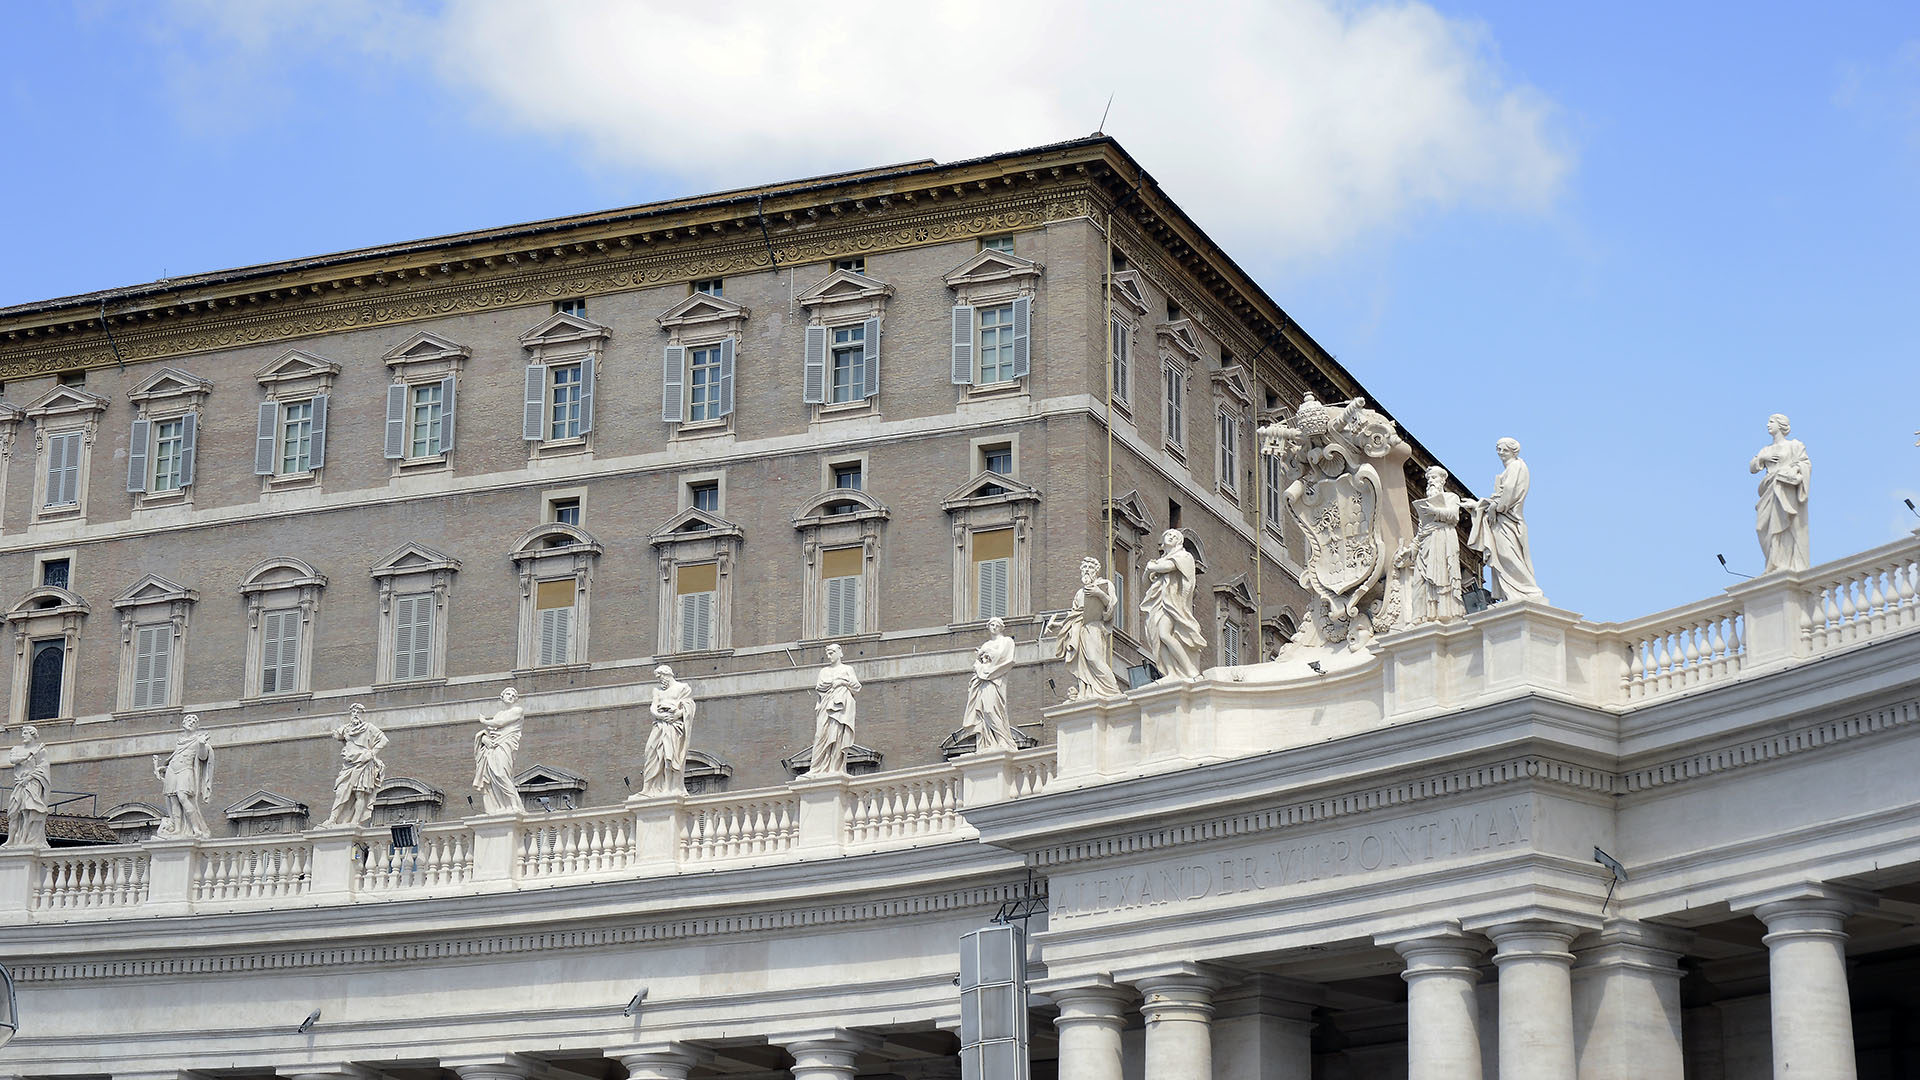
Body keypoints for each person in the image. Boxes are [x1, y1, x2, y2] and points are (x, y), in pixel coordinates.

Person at [1468, 438, 1548, 604]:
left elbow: (1509, 493)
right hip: (1502, 518)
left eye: (1504, 450)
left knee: (1507, 555)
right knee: (1504, 556)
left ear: (1513, 451)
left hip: (1508, 520)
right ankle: (1511, 593)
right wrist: (1478, 506)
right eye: (1498, 450)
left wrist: (1494, 507)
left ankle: (1528, 591)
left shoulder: (1516, 466)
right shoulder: (1512, 468)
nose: (1500, 453)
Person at [1044, 557, 1124, 700]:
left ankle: (1113, 690)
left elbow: (1110, 608)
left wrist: (1099, 594)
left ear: (1096, 570)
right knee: (1082, 663)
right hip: (1079, 629)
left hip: (1094, 627)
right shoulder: (1079, 593)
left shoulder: (1105, 585)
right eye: (1084, 568)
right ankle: (1085, 692)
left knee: (1094, 659)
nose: (1087, 570)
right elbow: (1073, 616)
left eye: (1090, 568)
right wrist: (1056, 625)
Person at [1750, 413, 1812, 573]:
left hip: (1785, 488)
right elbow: (1752, 468)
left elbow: (1805, 464)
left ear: (1781, 425)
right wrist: (1763, 457)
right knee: (1761, 527)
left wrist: (1791, 469)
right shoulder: (1766, 449)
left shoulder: (1794, 445)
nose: (1768, 425)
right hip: (1768, 489)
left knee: (1784, 523)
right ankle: (1772, 562)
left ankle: (1781, 563)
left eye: (1771, 422)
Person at [1142, 528, 1207, 680]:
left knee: (1165, 633)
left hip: (1172, 603)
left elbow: (1168, 567)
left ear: (1179, 541)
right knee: (1157, 637)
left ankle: (1190, 671)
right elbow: (1146, 582)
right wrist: (1148, 570)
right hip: (1157, 603)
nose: (1171, 537)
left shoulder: (1183, 556)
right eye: (1168, 535)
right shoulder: (1160, 561)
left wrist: (1153, 567)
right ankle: (1170, 672)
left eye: (1174, 536)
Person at [1410, 466, 1466, 624]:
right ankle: (1420, 616)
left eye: (1434, 478)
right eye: (1429, 479)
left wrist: (1435, 511)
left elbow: (1454, 516)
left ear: (1442, 480)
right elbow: (1421, 530)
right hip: (1426, 542)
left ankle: (1444, 614)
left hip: (1442, 538)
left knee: (1442, 577)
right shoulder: (1426, 504)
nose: (1430, 483)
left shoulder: (1451, 497)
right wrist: (1412, 548)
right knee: (1419, 581)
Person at [322, 703, 388, 828]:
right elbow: (337, 735)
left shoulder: (368, 727)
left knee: (359, 793)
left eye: (358, 712)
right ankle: (332, 819)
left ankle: (355, 821)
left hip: (363, 762)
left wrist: (372, 753)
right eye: (353, 712)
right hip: (349, 764)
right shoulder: (347, 728)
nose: (356, 714)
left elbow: (384, 740)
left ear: (363, 714)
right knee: (341, 791)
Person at [152, 713, 214, 839]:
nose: (191, 722)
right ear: (183, 723)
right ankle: (178, 829)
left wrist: (202, 744)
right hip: (172, 771)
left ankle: (196, 829)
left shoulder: (198, 740)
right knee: (173, 799)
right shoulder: (179, 741)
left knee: (182, 796)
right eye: (188, 719)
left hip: (186, 770)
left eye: (194, 721)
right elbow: (175, 757)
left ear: (197, 726)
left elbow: (203, 757)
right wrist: (163, 768)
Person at [961, 617, 1019, 752]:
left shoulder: (1007, 641)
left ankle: (1004, 740)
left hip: (996, 678)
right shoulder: (986, 644)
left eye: (996, 625)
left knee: (992, 709)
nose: (993, 627)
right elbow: (978, 662)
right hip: (982, 680)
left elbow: (1005, 658)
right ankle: (989, 742)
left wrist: (987, 655)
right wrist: (982, 661)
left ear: (1001, 627)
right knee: (983, 710)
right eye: (991, 624)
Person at [808, 643, 862, 777]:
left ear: (839, 653)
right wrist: (833, 683)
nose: (829, 656)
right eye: (827, 653)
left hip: (841, 708)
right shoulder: (824, 671)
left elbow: (857, 687)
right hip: (826, 707)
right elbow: (820, 688)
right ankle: (816, 767)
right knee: (820, 735)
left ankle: (835, 767)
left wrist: (843, 682)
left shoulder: (847, 669)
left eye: (831, 653)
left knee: (837, 736)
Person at [643, 665, 695, 797]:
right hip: (659, 725)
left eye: (660, 677)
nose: (660, 680)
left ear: (667, 674)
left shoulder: (683, 688)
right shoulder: (657, 691)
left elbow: (689, 706)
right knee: (651, 754)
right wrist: (659, 715)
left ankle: (669, 787)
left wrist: (677, 714)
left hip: (673, 726)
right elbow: (653, 707)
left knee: (669, 756)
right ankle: (648, 788)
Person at [472, 687, 525, 814]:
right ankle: (501, 806)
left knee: (501, 773)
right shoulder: (498, 714)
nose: (511, 696)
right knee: (492, 776)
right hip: (494, 747)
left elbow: (500, 723)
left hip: (506, 745)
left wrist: (484, 721)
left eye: (513, 695)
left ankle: (514, 804)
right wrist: (484, 739)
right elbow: (491, 732)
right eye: (508, 694)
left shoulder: (518, 710)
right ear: (502, 696)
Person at [5, 725, 50, 848]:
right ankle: (11, 839)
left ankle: (24, 840)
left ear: (32, 734)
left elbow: (42, 769)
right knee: (14, 812)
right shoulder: (16, 749)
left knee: (27, 811)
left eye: (25, 733)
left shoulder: (41, 751)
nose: (22, 735)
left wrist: (29, 778)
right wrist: (27, 756)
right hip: (19, 783)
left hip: (32, 783)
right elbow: (13, 760)